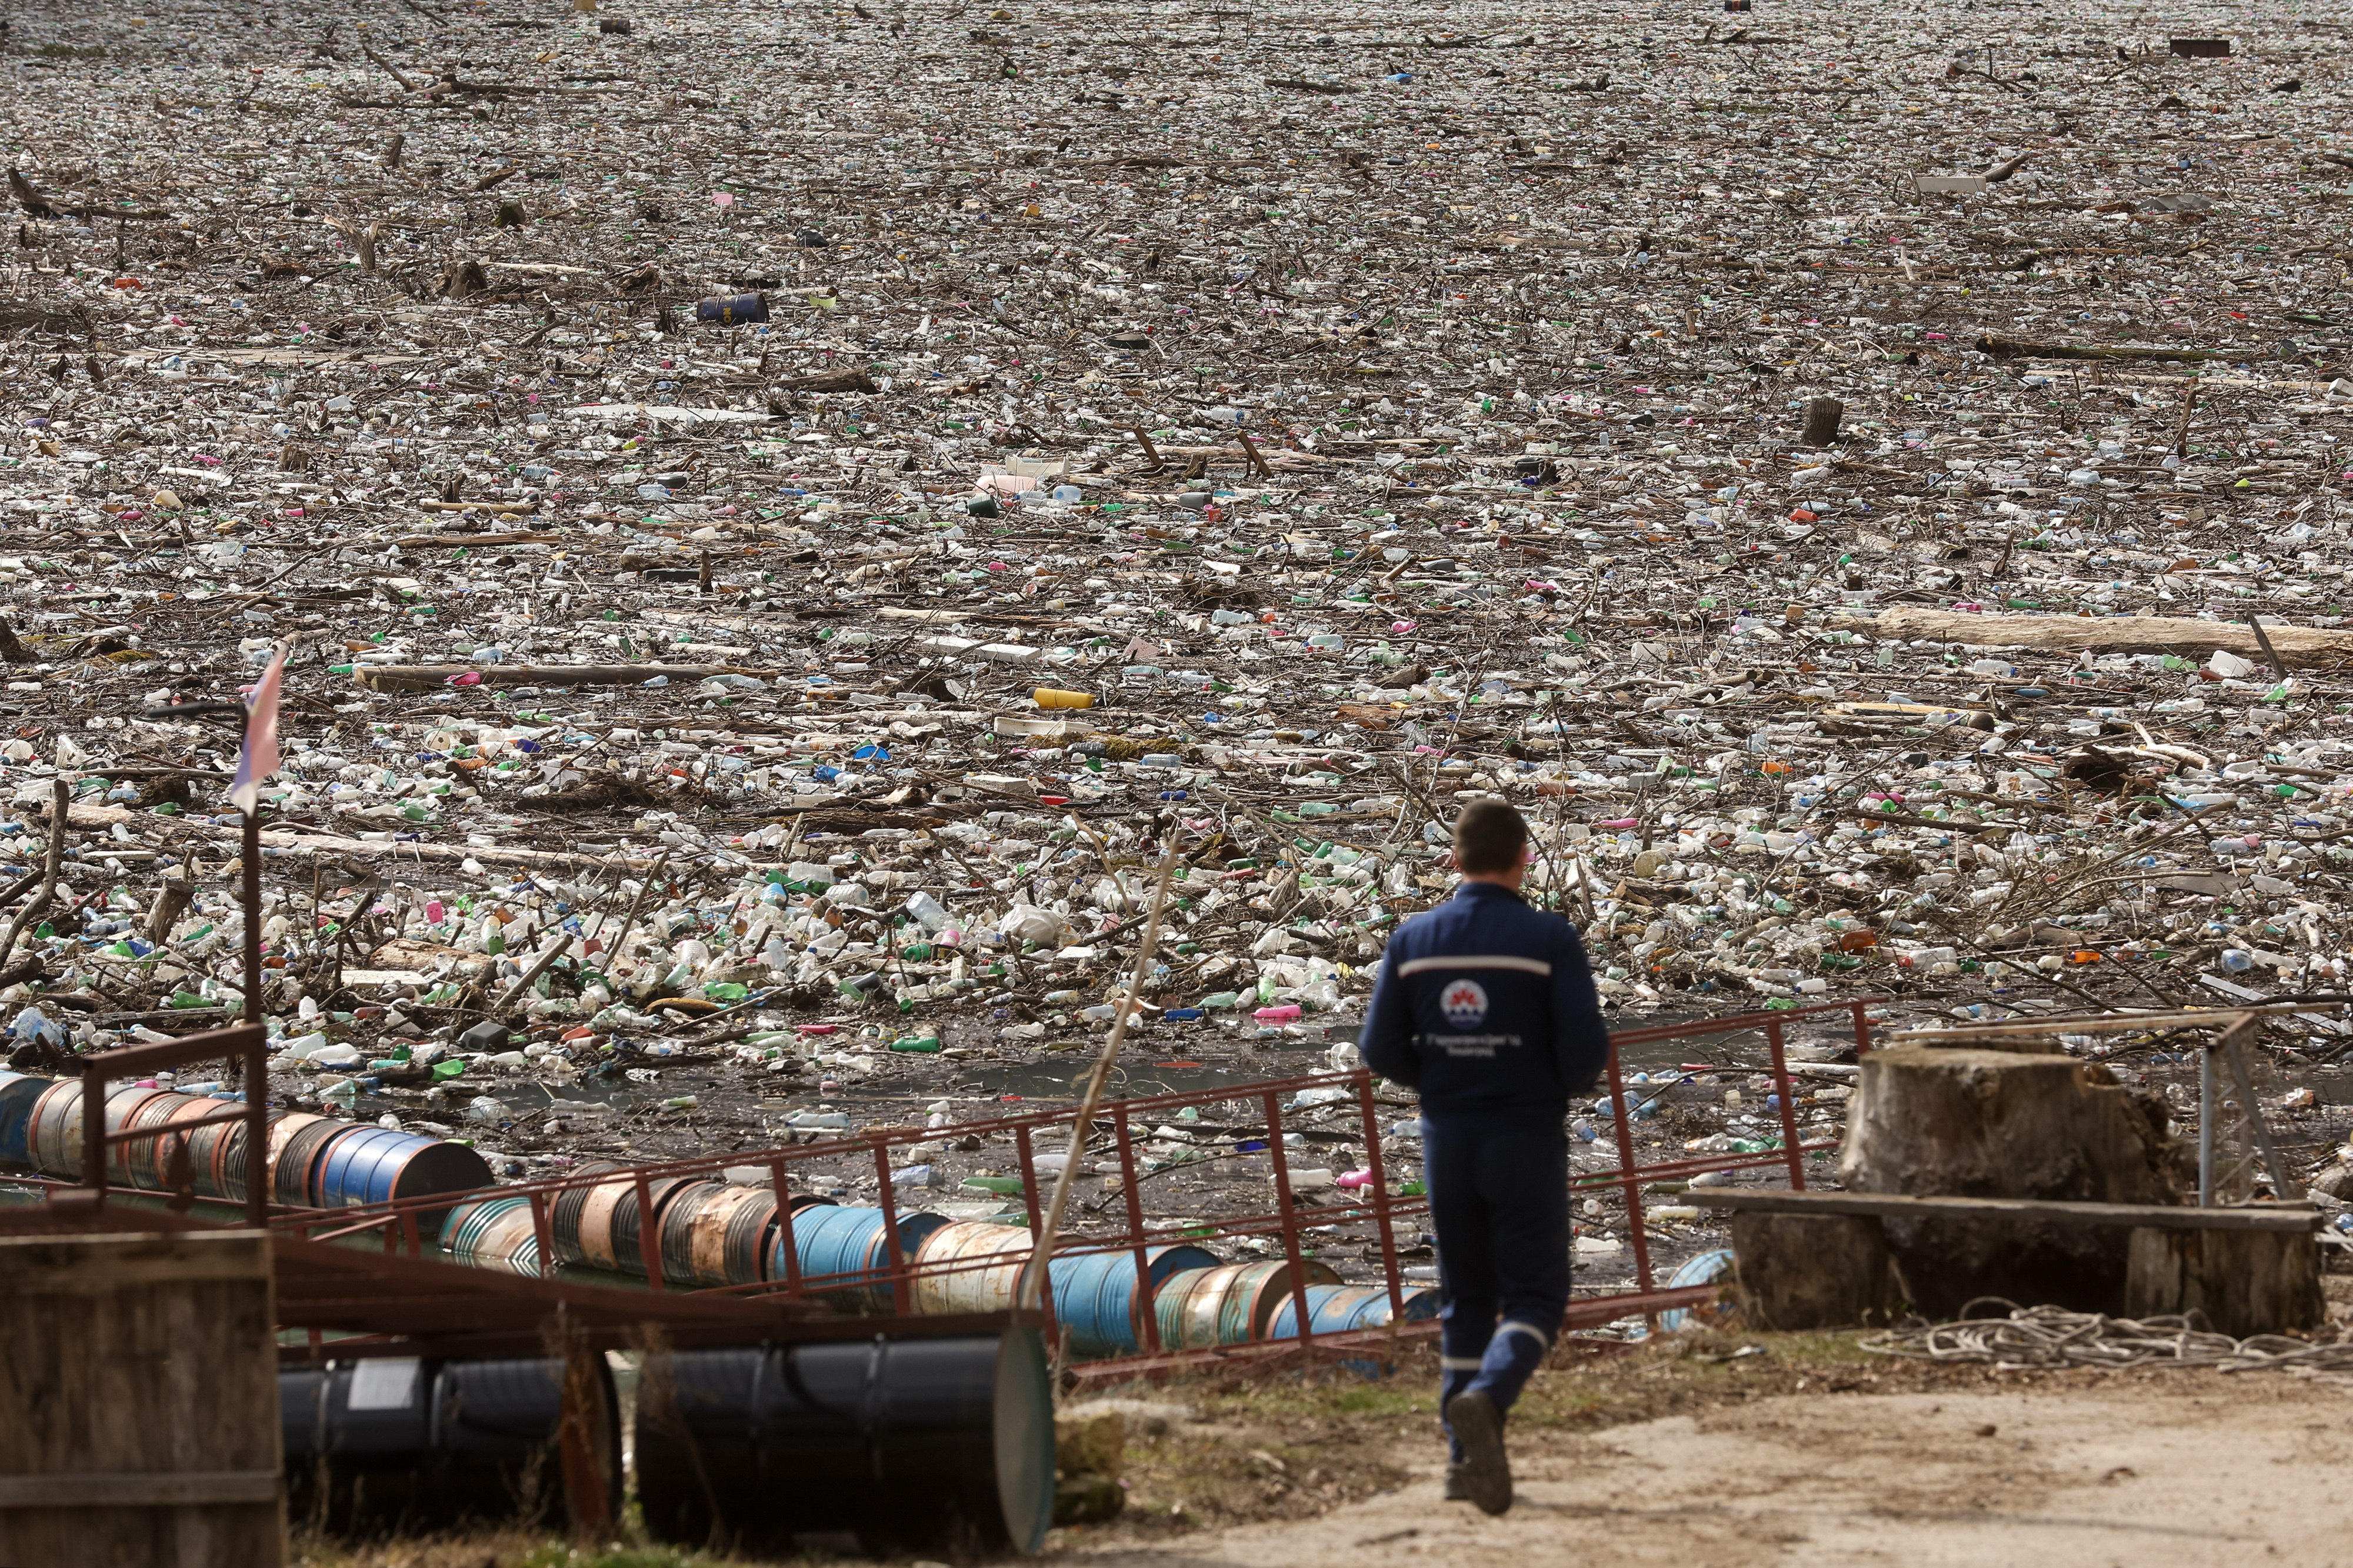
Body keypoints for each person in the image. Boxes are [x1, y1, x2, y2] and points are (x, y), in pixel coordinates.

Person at [1359, 798, 1611, 1516]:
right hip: (1524, 1135)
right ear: (1524, 858)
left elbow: (1379, 1048)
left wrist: (1440, 1084)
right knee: (1536, 1295)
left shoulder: (1414, 939)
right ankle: (1488, 1396)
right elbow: (1585, 1048)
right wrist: (1548, 1089)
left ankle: (1460, 1461)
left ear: (1454, 859)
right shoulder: (1548, 938)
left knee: (1466, 1298)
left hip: (1448, 1140)